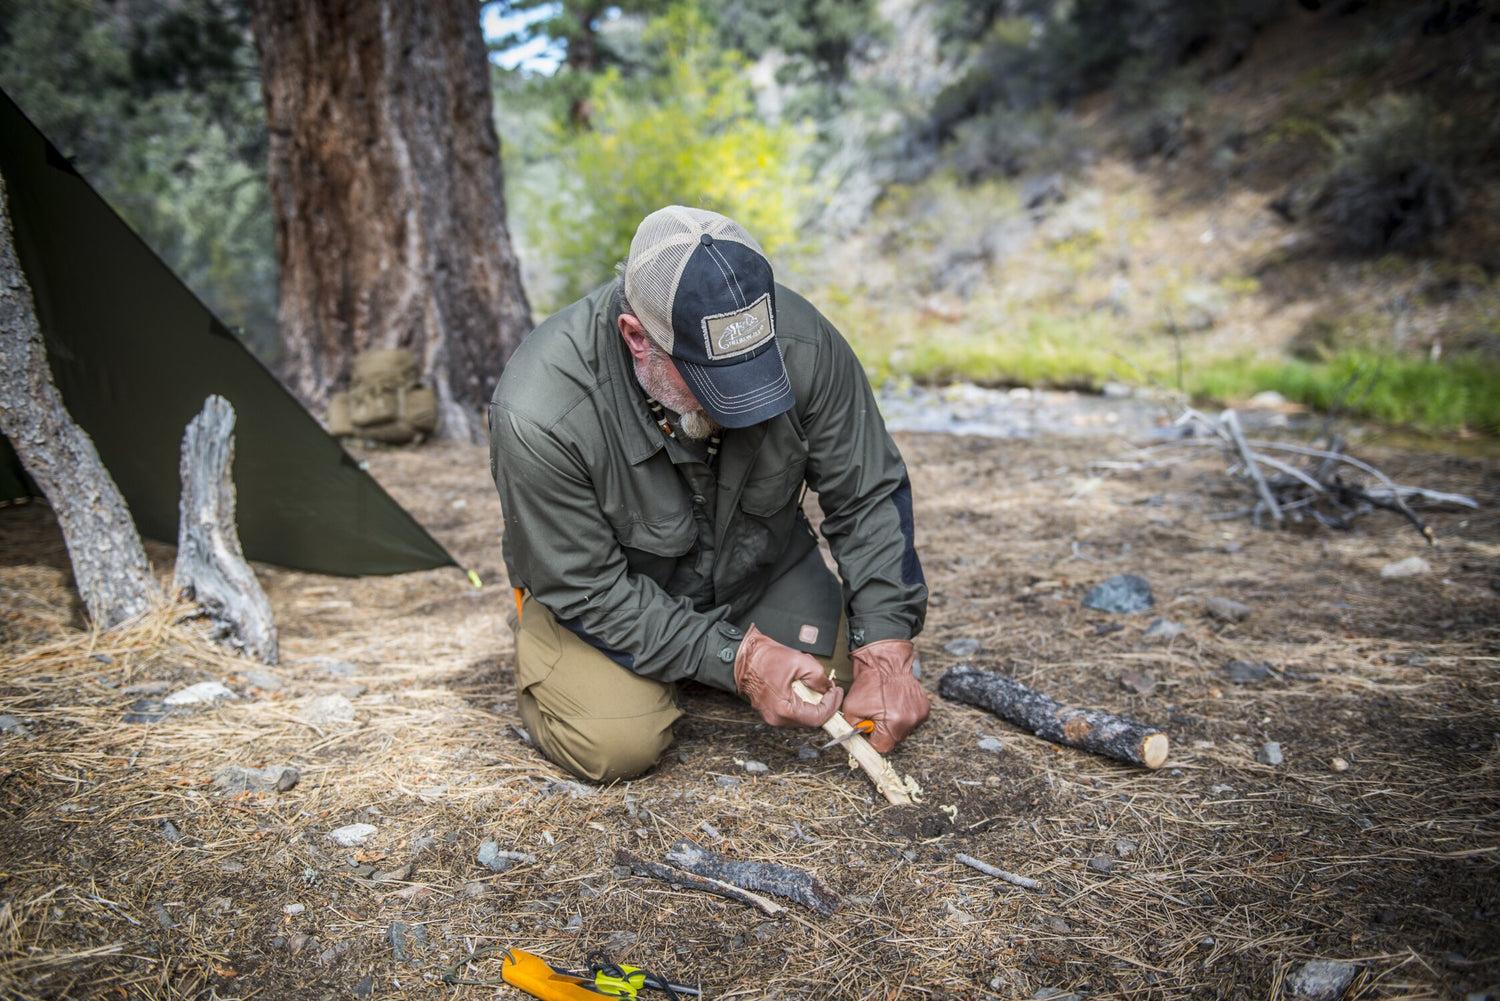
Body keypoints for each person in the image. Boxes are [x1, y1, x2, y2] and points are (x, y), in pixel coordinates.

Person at [489, 205, 928, 782]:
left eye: (755, 370)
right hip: (611, 598)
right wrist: (735, 659)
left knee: (845, 683)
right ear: (636, 337)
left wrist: (886, 644)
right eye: (712, 381)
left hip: (756, 573)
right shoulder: (540, 410)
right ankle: (565, 655)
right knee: (616, 745)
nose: (742, 402)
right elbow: (586, 587)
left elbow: (866, 492)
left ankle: (700, 659)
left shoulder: (805, 342)